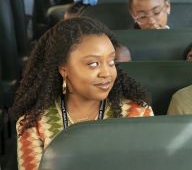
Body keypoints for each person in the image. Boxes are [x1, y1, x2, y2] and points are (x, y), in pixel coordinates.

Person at [12, 17, 153, 170]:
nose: (106, 73)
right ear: (63, 68)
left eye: (111, 62)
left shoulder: (138, 113)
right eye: (93, 64)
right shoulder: (33, 124)